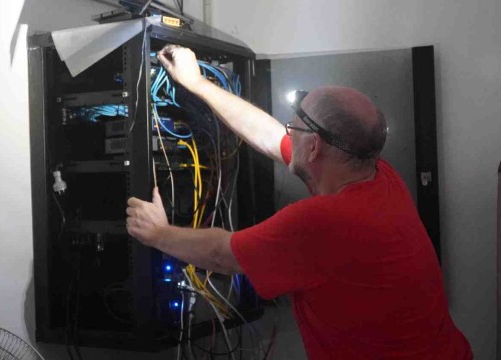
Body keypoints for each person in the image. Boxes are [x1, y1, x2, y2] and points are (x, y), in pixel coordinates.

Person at [126, 44, 473, 359]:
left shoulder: (324, 220)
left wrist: (157, 233)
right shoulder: (379, 175)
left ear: (315, 147)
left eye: (296, 126)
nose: (287, 129)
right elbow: (272, 137)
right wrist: (198, 84)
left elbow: (222, 254)